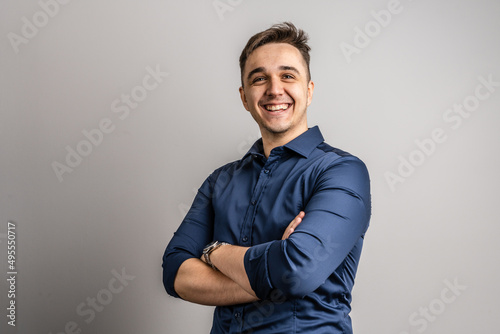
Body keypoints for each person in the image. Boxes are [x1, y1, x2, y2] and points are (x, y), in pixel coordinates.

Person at [162, 22, 371, 333]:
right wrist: (272, 269)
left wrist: (213, 251)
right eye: (259, 79)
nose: (275, 89)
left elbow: (295, 273)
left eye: (288, 75)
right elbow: (175, 274)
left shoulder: (342, 171)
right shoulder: (220, 181)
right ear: (244, 97)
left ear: (309, 91)